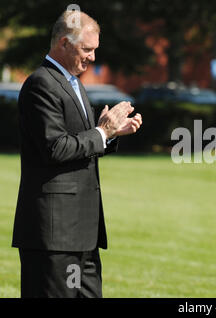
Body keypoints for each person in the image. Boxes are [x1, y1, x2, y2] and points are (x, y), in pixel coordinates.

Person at [12, 10, 142, 298]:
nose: (93, 58)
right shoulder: (41, 84)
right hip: (55, 236)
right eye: (87, 49)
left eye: (95, 50)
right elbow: (55, 148)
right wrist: (102, 133)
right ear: (64, 44)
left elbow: (79, 144)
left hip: (82, 233)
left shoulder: (75, 84)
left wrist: (109, 135)